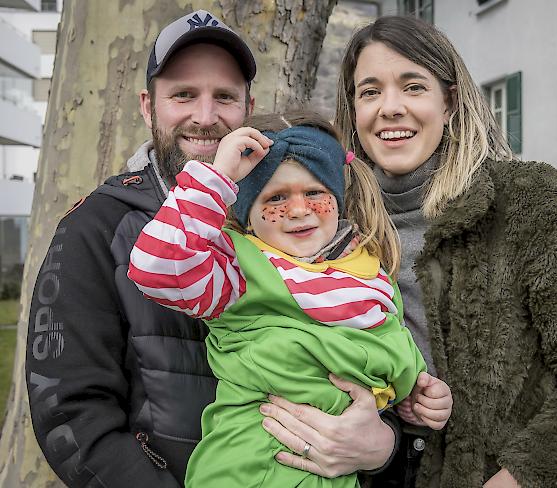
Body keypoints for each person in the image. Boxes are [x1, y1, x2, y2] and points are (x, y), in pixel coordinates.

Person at [257, 15, 557, 488]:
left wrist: (519, 478)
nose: (390, 107)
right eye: (370, 91)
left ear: (450, 102)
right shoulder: (325, 221)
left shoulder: (525, 202)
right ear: (353, 112)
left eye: (413, 86)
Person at [25, 11, 399, 487]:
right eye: (183, 95)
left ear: (249, 105)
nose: (205, 117)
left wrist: (380, 444)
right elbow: (70, 414)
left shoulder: (300, 222)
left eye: (224, 97)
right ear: (147, 106)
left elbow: (366, 350)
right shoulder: (98, 225)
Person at [128, 111, 452, 487]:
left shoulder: (370, 267)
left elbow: (389, 346)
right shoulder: (237, 267)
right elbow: (155, 267)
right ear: (248, 214)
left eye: (314, 193)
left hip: (336, 474)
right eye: (276, 197)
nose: (299, 211)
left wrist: (416, 396)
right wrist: (216, 179)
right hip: (251, 468)